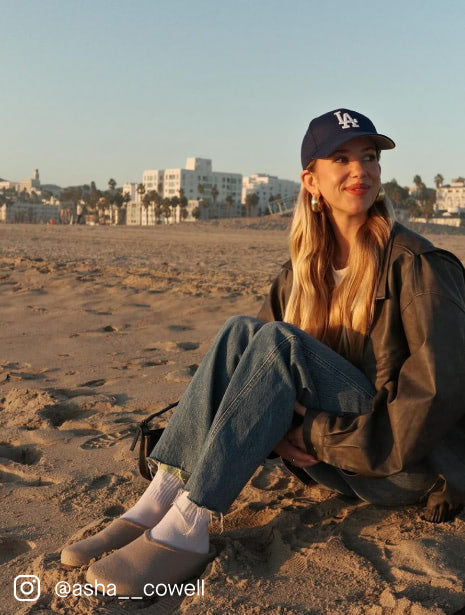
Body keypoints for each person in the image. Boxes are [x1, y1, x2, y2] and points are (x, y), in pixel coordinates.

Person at [61, 108, 465, 596]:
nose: (361, 170)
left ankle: (189, 525)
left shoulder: (419, 266)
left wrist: (309, 434)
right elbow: (251, 375)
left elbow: (436, 395)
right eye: (342, 158)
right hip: (333, 464)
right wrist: (278, 436)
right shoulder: (300, 274)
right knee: (240, 332)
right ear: (311, 180)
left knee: (276, 342)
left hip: (405, 468)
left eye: (370, 157)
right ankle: (159, 499)